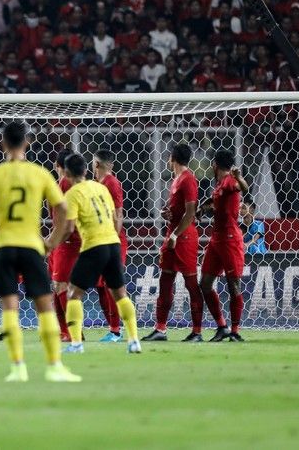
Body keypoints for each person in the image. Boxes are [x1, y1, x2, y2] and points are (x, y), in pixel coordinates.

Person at [0, 121, 81, 382]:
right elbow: (62, 208)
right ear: (26, 142)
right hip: (31, 246)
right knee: (45, 307)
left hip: (4, 247)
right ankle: (54, 366)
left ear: (2, 143)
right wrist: (52, 240)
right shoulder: (39, 173)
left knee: (9, 308)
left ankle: (18, 368)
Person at [47, 153, 141, 354]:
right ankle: (133, 340)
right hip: (113, 244)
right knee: (120, 294)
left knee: (73, 294)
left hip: (94, 246)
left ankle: (76, 344)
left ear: (67, 172)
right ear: (85, 169)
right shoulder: (100, 187)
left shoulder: (73, 192)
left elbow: (69, 228)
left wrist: (50, 244)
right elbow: (114, 215)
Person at [142, 144, 205, 342]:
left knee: (191, 283)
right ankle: (160, 329)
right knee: (165, 281)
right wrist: (168, 213)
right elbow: (180, 211)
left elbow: (190, 213)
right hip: (173, 234)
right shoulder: (177, 179)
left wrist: (176, 235)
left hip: (184, 237)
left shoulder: (188, 179)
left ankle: (197, 332)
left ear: (172, 158)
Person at [198, 151, 250, 342]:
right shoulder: (219, 185)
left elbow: (243, 188)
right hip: (216, 239)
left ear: (214, 165)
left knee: (233, 285)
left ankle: (235, 331)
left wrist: (239, 177)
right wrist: (203, 207)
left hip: (230, 239)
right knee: (204, 284)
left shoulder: (229, 181)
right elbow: (215, 201)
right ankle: (222, 326)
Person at [94, 149, 128, 342]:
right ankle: (113, 327)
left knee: (111, 285)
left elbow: (119, 214)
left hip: (112, 241)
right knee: (100, 285)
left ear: (96, 164)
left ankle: (116, 330)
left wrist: (112, 241)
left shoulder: (112, 183)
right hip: (100, 240)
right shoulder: (98, 184)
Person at [51, 149, 82, 341]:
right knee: (58, 285)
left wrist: (53, 241)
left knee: (62, 286)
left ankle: (70, 331)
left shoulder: (63, 183)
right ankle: (64, 330)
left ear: (58, 166)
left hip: (66, 240)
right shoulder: (80, 185)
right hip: (70, 239)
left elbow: (64, 220)